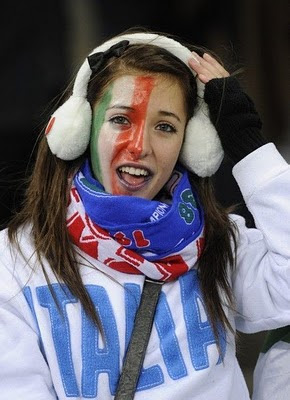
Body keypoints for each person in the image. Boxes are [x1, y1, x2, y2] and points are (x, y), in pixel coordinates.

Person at [0, 28, 289, 400]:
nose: (140, 147)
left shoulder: (218, 243)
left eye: (165, 127)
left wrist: (250, 147)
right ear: (82, 129)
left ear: (190, 144)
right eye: (121, 119)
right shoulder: (14, 262)